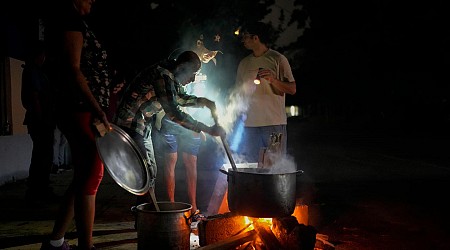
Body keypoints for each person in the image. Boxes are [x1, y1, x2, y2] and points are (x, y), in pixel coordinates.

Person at [40, 0, 113, 249]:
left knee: (83, 176)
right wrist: (96, 107)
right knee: (93, 172)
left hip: (81, 107)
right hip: (80, 107)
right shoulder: (70, 21)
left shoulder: (73, 21)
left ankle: (55, 241)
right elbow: (73, 68)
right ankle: (86, 246)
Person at [114, 51, 225, 208]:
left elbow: (179, 98)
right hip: (131, 122)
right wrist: (205, 128)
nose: (193, 79)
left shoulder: (170, 76)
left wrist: (203, 102)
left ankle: (146, 215)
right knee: (146, 171)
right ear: (181, 67)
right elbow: (173, 112)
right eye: (192, 74)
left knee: (150, 171)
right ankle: (146, 216)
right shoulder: (162, 75)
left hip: (143, 124)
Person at [235, 22, 296, 163]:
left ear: (255, 38)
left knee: (274, 168)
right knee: (252, 167)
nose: (243, 40)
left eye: (245, 37)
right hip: (250, 125)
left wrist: (273, 80)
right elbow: (237, 93)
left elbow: (292, 89)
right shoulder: (244, 63)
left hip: (274, 123)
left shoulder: (278, 59)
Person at [21, 39, 57, 202]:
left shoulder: (34, 71)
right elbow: (35, 97)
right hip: (40, 120)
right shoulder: (33, 71)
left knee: (42, 154)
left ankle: (39, 189)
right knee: (42, 155)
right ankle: (38, 190)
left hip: (39, 119)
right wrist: (42, 117)